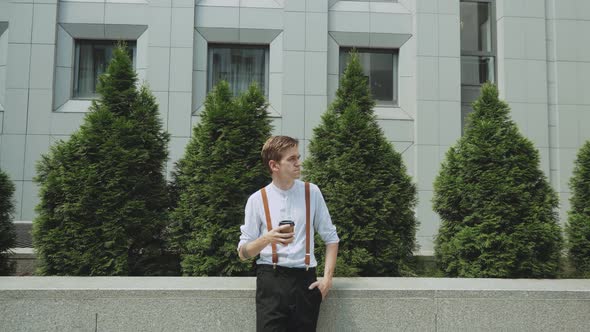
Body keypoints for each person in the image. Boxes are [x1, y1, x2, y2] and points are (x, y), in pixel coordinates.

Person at [238, 136, 339, 332]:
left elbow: (331, 238)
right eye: (291, 159)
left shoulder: (312, 193)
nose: (298, 163)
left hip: (306, 281)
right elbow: (243, 253)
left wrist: (327, 279)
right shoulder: (257, 200)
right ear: (274, 165)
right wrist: (267, 238)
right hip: (271, 280)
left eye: (298, 157)